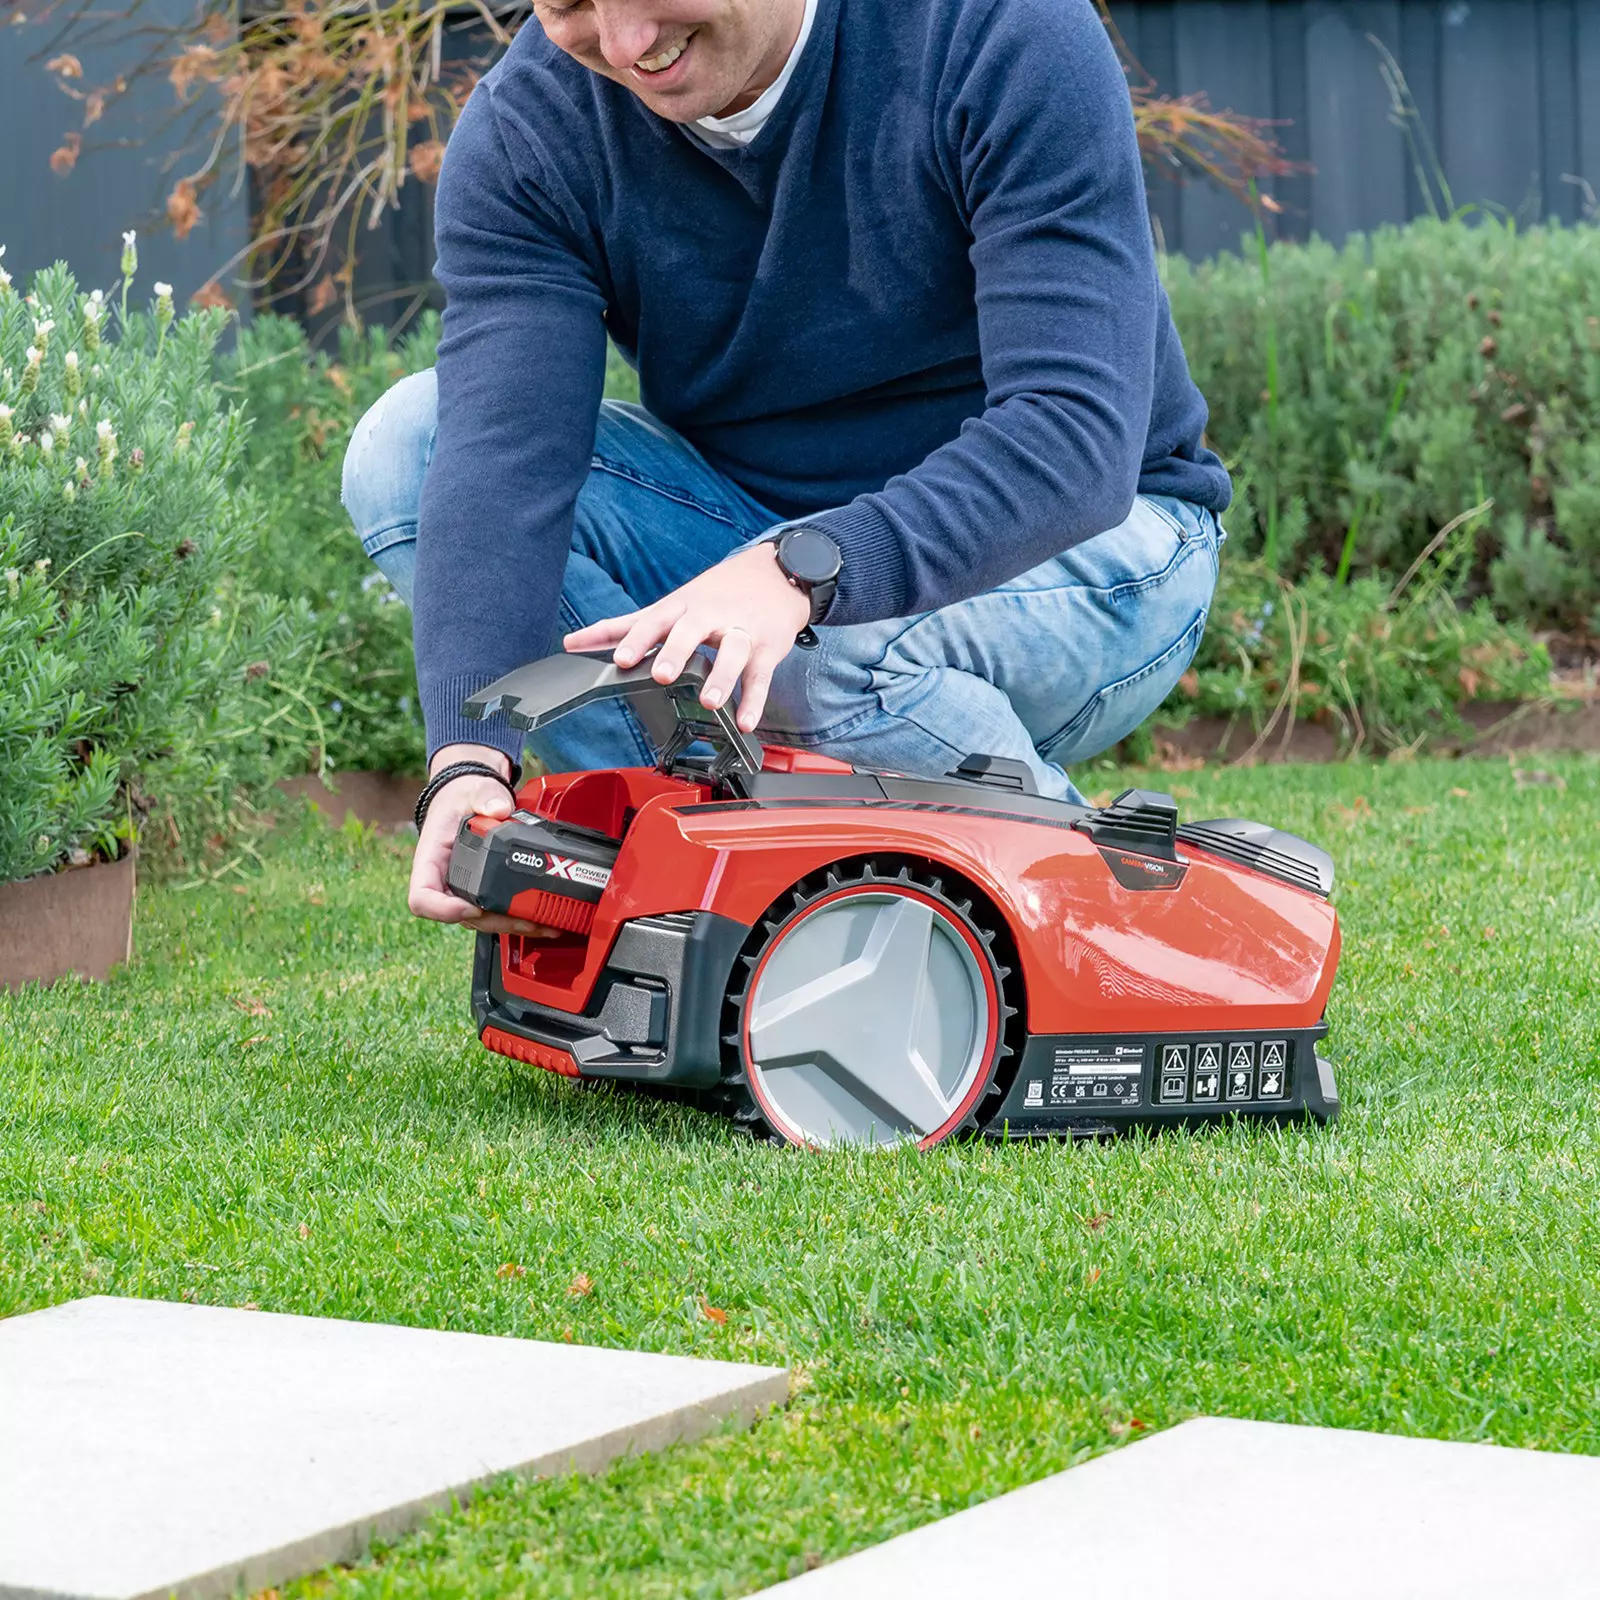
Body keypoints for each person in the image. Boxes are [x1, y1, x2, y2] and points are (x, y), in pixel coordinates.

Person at [341, 0, 1231, 940]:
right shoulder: (536, 125)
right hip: (748, 532)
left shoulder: (998, 30)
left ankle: (1109, 928)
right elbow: (499, 465)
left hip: (1103, 538)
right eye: (567, 5)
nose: (625, 44)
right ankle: (692, 893)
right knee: (411, 445)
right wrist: (471, 759)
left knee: (817, 654)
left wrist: (798, 572)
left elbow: (1071, 436)